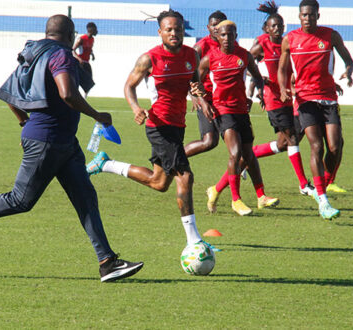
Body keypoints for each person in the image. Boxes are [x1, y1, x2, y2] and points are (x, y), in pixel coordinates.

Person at [0, 15, 143, 283]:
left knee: (85, 198)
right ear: (71, 35)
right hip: (49, 141)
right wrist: (97, 115)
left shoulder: (34, 54)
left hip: (64, 142)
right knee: (20, 200)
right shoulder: (61, 55)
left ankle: (107, 262)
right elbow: (67, 93)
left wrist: (24, 122)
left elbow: (6, 92)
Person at [86, 10, 217, 252]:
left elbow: (194, 81)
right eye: (169, 29)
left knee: (159, 183)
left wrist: (201, 99)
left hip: (177, 125)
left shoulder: (191, 55)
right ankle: (193, 240)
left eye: (177, 29)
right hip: (158, 125)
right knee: (185, 177)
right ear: (160, 32)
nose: (174, 33)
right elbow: (129, 85)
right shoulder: (150, 59)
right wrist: (136, 107)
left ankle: (105, 164)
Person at [277, 0, 353, 220]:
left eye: (311, 15)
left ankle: (325, 181)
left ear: (317, 16)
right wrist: (283, 88)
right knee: (316, 145)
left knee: (335, 147)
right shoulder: (290, 40)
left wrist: (348, 72)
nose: (307, 18)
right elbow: (283, 68)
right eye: (303, 15)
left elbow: (348, 60)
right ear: (299, 16)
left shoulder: (331, 36)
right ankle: (322, 199)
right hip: (304, 100)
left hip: (328, 98)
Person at [201, 20, 279, 216]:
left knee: (249, 155)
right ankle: (236, 200)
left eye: (231, 34)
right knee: (235, 154)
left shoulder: (243, 55)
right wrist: (203, 101)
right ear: (217, 36)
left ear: (236, 35)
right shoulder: (209, 58)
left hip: (241, 111)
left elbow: (258, 77)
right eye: (223, 35)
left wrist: (258, 93)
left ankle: (260, 196)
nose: (227, 38)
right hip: (222, 110)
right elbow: (195, 79)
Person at [246, 1, 314, 196]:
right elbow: (245, 63)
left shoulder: (287, 43)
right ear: (267, 28)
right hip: (273, 99)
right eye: (273, 26)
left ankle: (247, 159)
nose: (277, 29)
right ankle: (303, 184)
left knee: (285, 143)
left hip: (290, 98)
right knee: (292, 138)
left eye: (280, 26)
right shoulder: (262, 44)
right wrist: (259, 80)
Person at [184, 10, 227, 157]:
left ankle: (241, 164)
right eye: (214, 25)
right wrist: (195, 96)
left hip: (225, 99)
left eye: (220, 24)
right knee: (209, 141)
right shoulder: (201, 47)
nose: (217, 27)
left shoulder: (229, 43)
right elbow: (189, 73)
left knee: (234, 138)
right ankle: (176, 158)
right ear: (208, 27)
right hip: (206, 98)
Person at [73, 22, 98, 96]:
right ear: (90, 29)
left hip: (86, 63)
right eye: (95, 29)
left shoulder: (92, 39)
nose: (96, 31)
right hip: (80, 63)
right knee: (77, 81)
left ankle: (84, 97)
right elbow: (73, 50)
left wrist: (92, 55)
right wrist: (79, 59)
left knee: (90, 83)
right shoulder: (82, 39)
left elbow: (90, 49)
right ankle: (76, 96)